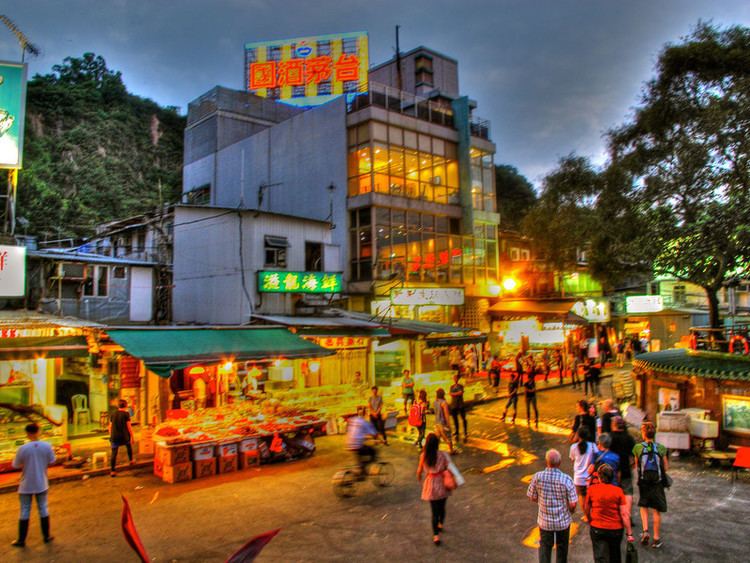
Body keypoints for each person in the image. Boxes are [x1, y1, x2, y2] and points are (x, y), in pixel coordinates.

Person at [527, 449, 578, 563]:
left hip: (545, 522)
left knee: (545, 547)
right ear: (559, 463)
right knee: (562, 548)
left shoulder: (537, 477)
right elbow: (573, 503)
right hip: (563, 522)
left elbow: (531, 496)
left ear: (546, 462)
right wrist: (571, 510)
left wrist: (542, 502)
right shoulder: (566, 479)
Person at [11, 423, 56, 547]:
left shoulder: (23, 449)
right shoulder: (47, 446)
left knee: (24, 510)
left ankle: (21, 540)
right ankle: (46, 536)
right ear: (38, 431)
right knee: (43, 508)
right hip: (42, 482)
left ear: (27, 433)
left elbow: (15, 465)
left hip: (26, 484)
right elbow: (52, 460)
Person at [584, 464, 634, 563]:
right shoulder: (618, 491)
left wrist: (590, 519)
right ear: (612, 477)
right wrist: (629, 534)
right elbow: (624, 514)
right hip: (615, 530)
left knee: (600, 557)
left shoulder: (592, 490)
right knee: (615, 556)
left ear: (599, 477)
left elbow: (586, 508)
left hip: (597, 528)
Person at [633, 422, 668, 549]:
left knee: (644, 506)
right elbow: (666, 467)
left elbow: (637, 466)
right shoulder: (661, 448)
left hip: (644, 482)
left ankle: (645, 531)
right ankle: (656, 538)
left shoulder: (637, 448)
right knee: (656, 510)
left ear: (643, 433)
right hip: (657, 483)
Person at [417, 432, 452, 546]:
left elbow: (419, 471)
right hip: (441, 482)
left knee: (434, 512)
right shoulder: (442, 454)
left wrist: (420, 478)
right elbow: (447, 467)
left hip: (431, 483)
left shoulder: (423, 455)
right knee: (442, 507)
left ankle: (436, 536)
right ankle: (441, 523)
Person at [610, 416, 636, 515]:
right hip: (625, 467)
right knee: (628, 492)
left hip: (612, 469)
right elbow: (634, 454)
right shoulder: (629, 438)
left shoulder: (610, 437)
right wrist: (633, 463)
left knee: (613, 491)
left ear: (613, 425)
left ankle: (614, 514)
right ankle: (627, 514)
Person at [569, 427, 596, 521]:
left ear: (578, 435)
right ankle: (592, 513)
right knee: (591, 496)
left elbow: (572, 459)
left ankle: (587, 516)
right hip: (590, 476)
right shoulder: (593, 446)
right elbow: (596, 457)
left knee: (581, 496)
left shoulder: (573, 447)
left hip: (578, 477)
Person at [345, 407, 378, 476]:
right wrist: (380, 440)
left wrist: (364, 437)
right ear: (365, 414)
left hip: (349, 444)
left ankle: (361, 470)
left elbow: (355, 432)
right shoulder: (364, 422)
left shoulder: (352, 420)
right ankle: (363, 467)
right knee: (373, 451)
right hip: (357, 445)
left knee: (359, 455)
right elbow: (374, 434)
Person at [109, 399, 135, 477]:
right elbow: (129, 427)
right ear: (126, 406)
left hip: (114, 436)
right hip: (124, 436)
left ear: (118, 406)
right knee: (129, 446)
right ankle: (131, 460)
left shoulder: (113, 414)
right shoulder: (126, 414)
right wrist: (132, 437)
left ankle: (112, 471)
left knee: (114, 453)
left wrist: (111, 435)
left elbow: (109, 427)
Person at [433, 388, 454, 454]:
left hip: (436, 422)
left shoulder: (435, 402)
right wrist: (448, 424)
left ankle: (435, 451)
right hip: (442, 423)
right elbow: (446, 415)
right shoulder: (444, 403)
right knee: (448, 437)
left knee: (437, 438)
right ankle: (451, 450)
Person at [449, 373, 468, 443]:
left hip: (460, 404)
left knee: (463, 418)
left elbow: (460, 393)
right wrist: (456, 394)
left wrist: (454, 394)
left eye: (456, 378)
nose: (455, 379)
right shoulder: (452, 387)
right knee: (455, 419)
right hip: (454, 405)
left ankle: (465, 432)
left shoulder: (460, 386)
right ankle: (456, 431)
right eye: (454, 378)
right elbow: (451, 393)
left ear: (458, 379)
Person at [524, 364, 539, 428]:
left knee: (534, 408)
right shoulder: (526, 383)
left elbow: (533, 390)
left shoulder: (533, 383)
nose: (531, 380)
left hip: (532, 396)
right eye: (530, 379)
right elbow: (526, 391)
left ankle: (536, 418)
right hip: (528, 397)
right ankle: (528, 418)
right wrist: (531, 391)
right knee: (528, 409)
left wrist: (530, 390)